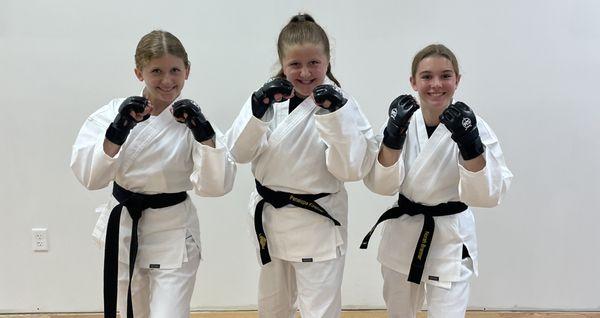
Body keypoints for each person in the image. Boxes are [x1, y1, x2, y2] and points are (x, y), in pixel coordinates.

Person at [70, 30, 236, 318]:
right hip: (124, 227)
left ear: (188, 71)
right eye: (156, 71)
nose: (167, 80)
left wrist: (205, 135)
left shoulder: (192, 120)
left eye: (175, 70)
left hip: (173, 231)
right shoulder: (112, 113)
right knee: (129, 312)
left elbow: (217, 185)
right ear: (139, 72)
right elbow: (90, 177)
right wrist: (117, 131)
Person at [226, 13, 378, 318]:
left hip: (318, 221)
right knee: (273, 304)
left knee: (318, 309)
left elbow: (351, 170)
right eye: (295, 64)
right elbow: (238, 153)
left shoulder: (344, 103)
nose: (305, 73)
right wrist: (256, 113)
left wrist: (335, 117)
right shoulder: (267, 99)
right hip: (269, 217)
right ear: (283, 63)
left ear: (328, 61)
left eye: (314, 63)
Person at [362, 44, 513, 318]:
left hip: (450, 239)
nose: (436, 84)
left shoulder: (474, 126)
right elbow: (380, 185)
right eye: (426, 76)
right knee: (399, 313)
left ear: (457, 80)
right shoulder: (403, 122)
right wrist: (393, 135)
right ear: (413, 82)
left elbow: (489, 195)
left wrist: (470, 145)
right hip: (404, 235)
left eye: (445, 76)